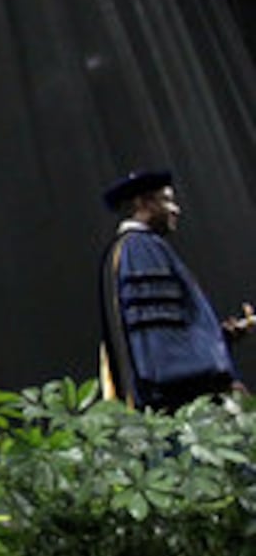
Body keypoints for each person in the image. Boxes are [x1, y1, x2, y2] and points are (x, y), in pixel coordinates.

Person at [99, 168, 251, 410]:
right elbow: (158, 340)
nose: (176, 209)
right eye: (168, 200)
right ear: (144, 202)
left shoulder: (125, 249)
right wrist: (217, 380)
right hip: (177, 404)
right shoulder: (141, 249)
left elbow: (158, 330)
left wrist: (218, 337)